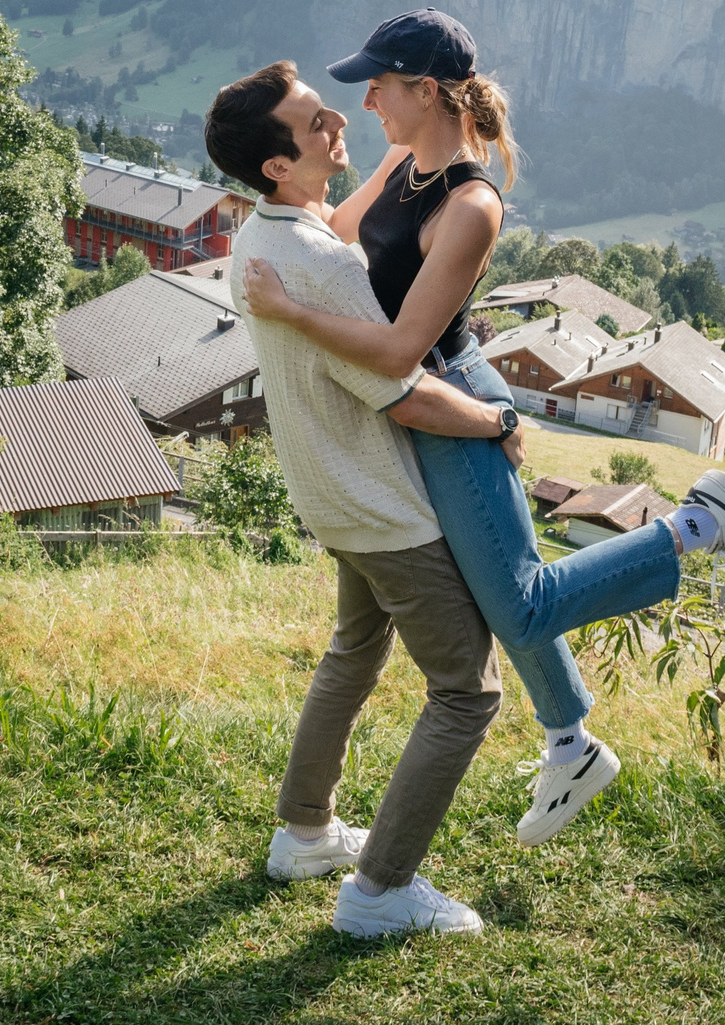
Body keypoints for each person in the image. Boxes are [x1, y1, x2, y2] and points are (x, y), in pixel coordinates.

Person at [243, 8, 725, 846]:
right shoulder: (402, 160)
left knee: (523, 606)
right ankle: (570, 743)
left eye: (380, 85)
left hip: (450, 403)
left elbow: (400, 349)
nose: (367, 103)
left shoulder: (470, 205)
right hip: (424, 407)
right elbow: (341, 232)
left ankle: (697, 524)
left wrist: (288, 311)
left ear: (428, 90)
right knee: (502, 588)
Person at [207, 60, 528, 939]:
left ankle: (304, 833)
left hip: (328, 493)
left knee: (354, 648)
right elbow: (406, 392)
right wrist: (497, 418)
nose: (339, 121)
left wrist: (401, 154)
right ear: (278, 163)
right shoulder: (320, 267)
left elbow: (346, 223)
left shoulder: (262, 236)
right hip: (382, 506)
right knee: (466, 691)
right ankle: (381, 890)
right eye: (316, 122)